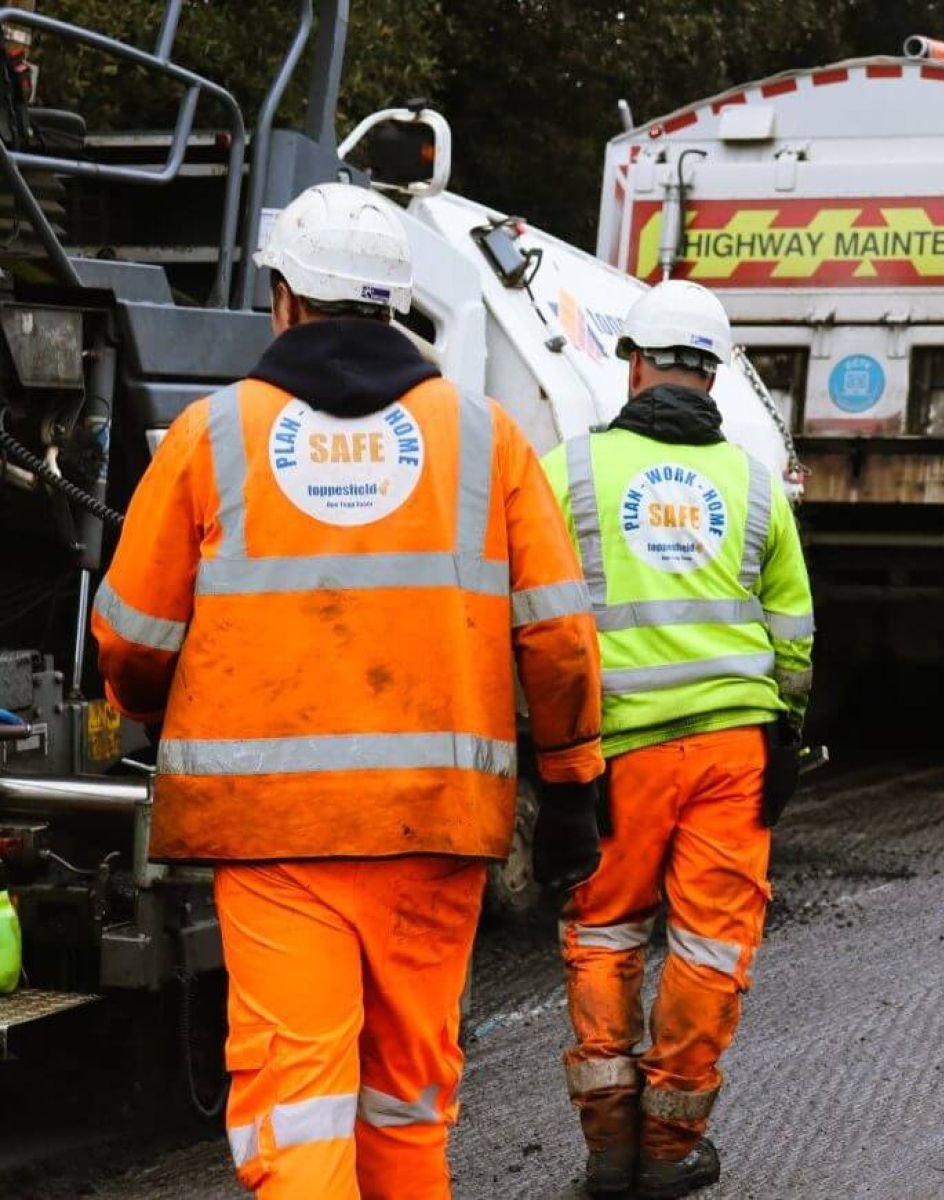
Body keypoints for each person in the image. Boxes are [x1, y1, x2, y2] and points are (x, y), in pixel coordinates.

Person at [92, 182, 604, 1199]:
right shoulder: (487, 437)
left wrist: (155, 709)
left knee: (299, 1103)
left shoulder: (211, 436)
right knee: (408, 1103)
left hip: (275, 830)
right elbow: (558, 640)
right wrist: (574, 788)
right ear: (397, 306)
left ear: (283, 299)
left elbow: (132, 638)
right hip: (436, 825)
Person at [541, 279, 815, 1198]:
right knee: (709, 948)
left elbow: (531, 623)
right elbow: (794, 635)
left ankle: (609, 1147)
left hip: (613, 756)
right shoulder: (753, 482)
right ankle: (670, 1151)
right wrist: (789, 737)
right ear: (717, 372)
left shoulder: (567, 471)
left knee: (606, 939)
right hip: (735, 754)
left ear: (632, 364)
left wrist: (545, 757)